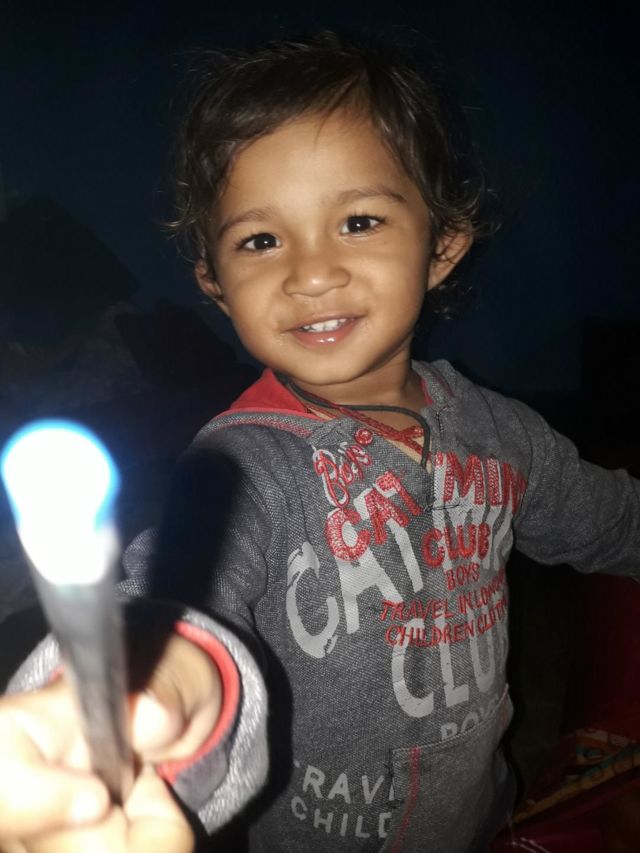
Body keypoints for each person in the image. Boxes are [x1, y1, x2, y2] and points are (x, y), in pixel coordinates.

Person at [1, 32, 639, 853]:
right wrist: (147, 684)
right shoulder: (236, 468)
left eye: (358, 221)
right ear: (215, 283)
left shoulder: (501, 433)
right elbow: (180, 598)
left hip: (481, 819)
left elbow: (610, 521)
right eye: (260, 240)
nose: (309, 273)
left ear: (442, 245)